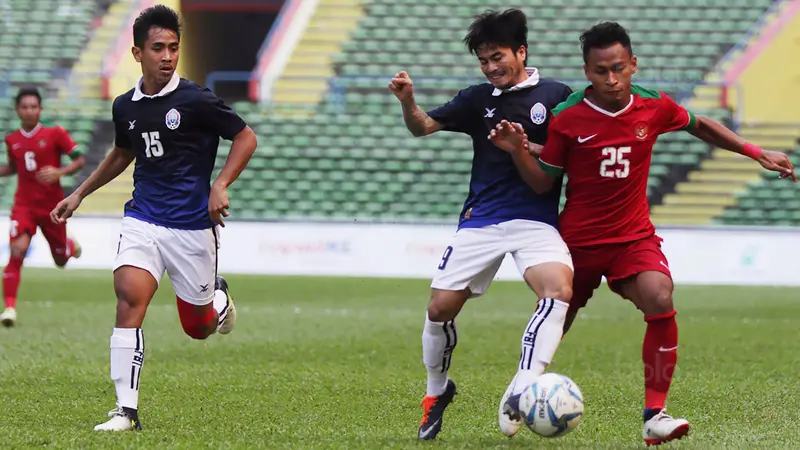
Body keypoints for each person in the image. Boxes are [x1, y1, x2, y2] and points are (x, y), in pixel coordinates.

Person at [490, 22, 795, 445]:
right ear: (587, 71)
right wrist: (522, 151)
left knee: (659, 297)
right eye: (600, 71)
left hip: (633, 239)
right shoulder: (569, 117)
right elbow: (545, 182)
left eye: (618, 68)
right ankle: (521, 389)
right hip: (577, 242)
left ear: (633, 64)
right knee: (560, 315)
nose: (611, 79)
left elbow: (700, 125)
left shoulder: (653, 106)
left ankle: (655, 415)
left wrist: (756, 152)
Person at [50, 5, 258, 431]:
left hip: (192, 228)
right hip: (143, 218)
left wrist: (220, 186)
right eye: (158, 48)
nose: (167, 56)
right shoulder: (125, 106)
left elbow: (245, 136)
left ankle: (217, 300)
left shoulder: (196, 99)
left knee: (197, 329)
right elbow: (124, 153)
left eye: (174, 48)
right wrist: (79, 193)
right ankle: (125, 411)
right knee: (128, 297)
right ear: (136, 53)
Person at [389, 9, 574, 440]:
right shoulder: (477, 99)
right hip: (482, 219)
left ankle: (525, 384)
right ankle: (437, 392)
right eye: (484, 61)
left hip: (535, 219)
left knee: (558, 290)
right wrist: (408, 102)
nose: (491, 68)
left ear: (521, 52)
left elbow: (568, 150)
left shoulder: (557, 95)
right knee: (439, 310)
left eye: (498, 57)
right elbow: (423, 127)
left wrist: (523, 144)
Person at [0, 87, 85, 327]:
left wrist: (59, 171)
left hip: (52, 208)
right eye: (24, 107)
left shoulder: (55, 133)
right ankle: (9, 309)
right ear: (18, 110)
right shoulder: (12, 139)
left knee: (61, 261)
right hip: (23, 206)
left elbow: (79, 159)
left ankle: (68, 245)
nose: (29, 111)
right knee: (17, 251)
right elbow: (14, 167)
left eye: (33, 107)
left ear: (40, 109)